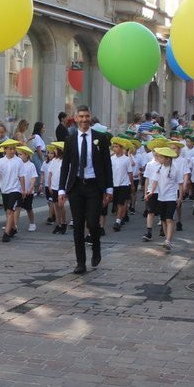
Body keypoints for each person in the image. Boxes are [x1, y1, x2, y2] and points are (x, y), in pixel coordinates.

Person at [58, 105, 113, 274]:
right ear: (75, 118)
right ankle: (80, 262)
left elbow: (106, 164)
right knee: (78, 224)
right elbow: (65, 166)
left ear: (90, 117)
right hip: (76, 187)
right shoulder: (70, 139)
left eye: (87, 116)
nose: (84, 120)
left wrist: (109, 188)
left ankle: (96, 248)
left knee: (93, 223)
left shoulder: (100, 138)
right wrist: (61, 189)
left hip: (94, 186)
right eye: (81, 116)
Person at [0, 139, 24, 243]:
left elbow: (21, 176)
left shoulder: (18, 161)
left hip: (15, 189)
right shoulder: (1, 161)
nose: (13, 151)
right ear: (5, 149)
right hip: (4, 190)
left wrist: (23, 189)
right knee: (8, 211)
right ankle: (13, 228)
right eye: (10, 149)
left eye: (14, 148)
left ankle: (6, 233)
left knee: (10, 211)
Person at [17, 146, 39, 231]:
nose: (19, 156)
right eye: (18, 154)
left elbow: (33, 178)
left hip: (28, 191)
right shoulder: (18, 164)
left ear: (26, 155)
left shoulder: (31, 165)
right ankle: (13, 224)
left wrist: (30, 188)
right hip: (19, 190)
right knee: (16, 208)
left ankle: (32, 223)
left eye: (20, 154)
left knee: (28, 208)